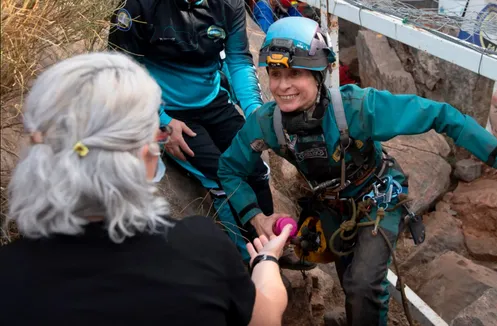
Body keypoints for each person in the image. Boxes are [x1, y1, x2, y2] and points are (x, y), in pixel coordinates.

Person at [217, 17, 497, 326]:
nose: (282, 86)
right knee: (352, 281)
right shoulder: (267, 124)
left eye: (294, 74)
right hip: (333, 207)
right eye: (275, 74)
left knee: (363, 284)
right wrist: (255, 216)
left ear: (318, 75)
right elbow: (229, 169)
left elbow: (441, 114)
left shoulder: (358, 108)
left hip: (379, 198)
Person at [0, 52, 292, 326]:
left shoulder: (9, 275)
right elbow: (265, 318)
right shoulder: (200, 248)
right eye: (156, 134)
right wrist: (266, 262)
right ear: (145, 157)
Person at [107, 0, 311, 270]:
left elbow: (238, 59)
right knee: (220, 175)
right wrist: (159, 121)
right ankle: (248, 260)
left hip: (213, 100)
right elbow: (119, 68)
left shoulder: (229, 4)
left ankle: (273, 242)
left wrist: (255, 113)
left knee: (255, 168)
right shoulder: (137, 6)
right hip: (165, 107)